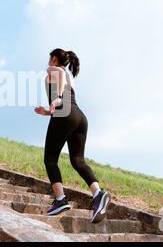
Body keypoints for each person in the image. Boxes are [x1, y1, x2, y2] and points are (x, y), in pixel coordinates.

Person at [34, 48, 111, 223]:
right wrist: (47, 112)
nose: (48, 62)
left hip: (64, 114)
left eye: (50, 58)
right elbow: (67, 100)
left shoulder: (54, 70)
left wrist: (57, 98)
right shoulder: (70, 78)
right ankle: (98, 194)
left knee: (50, 160)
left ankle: (61, 199)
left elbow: (60, 79)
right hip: (79, 117)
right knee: (78, 161)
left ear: (54, 59)